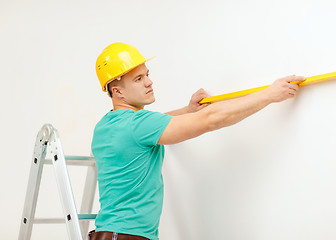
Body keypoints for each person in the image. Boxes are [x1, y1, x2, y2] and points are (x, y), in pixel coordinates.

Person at [90, 42, 305, 240]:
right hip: (128, 236)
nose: (149, 81)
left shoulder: (106, 126)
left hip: (110, 232)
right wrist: (269, 94)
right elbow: (210, 119)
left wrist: (187, 111)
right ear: (117, 91)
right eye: (138, 79)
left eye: (146, 74)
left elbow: (151, 127)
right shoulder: (139, 125)